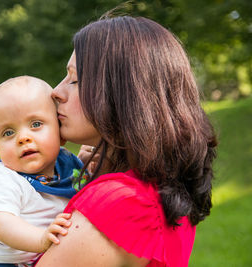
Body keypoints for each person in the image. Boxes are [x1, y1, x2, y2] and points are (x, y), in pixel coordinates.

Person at [36, 15, 218, 267]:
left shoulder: (121, 202)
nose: (56, 91)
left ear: (123, 93)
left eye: (74, 79)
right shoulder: (161, 190)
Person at [0, 76, 83, 267]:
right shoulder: (2, 178)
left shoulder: (69, 165)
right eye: (8, 133)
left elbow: (87, 190)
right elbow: (3, 225)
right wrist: (41, 239)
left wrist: (93, 166)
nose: (23, 138)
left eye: (36, 124)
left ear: (60, 132)